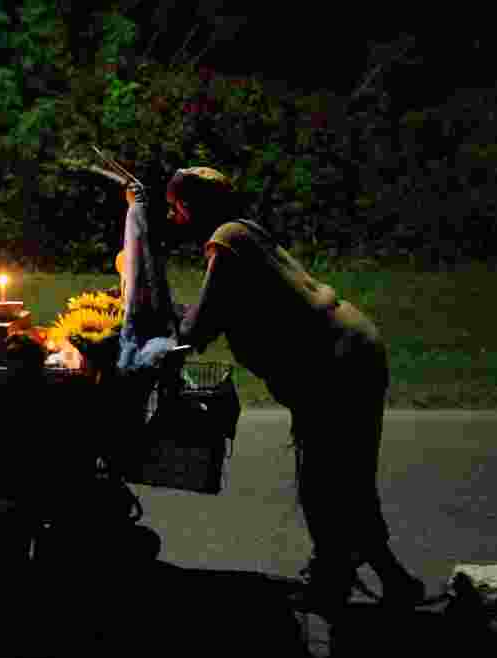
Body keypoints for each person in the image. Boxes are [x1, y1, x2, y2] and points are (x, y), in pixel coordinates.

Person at [124, 167, 427, 612]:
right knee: (342, 476)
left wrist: (154, 352)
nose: (173, 217)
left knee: (330, 480)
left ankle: (350, 579)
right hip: (348, 350)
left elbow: (201, 325)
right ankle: (372, 576)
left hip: (335, 363)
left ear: (191, 206)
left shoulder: (228, 241)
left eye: (175, 208)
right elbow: (219, 312)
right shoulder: (244, 233)